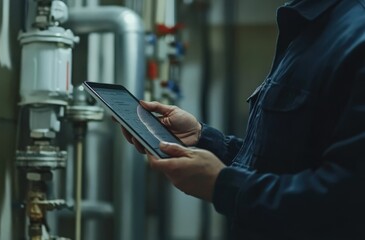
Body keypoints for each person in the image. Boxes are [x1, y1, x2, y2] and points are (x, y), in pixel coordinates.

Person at [118, 0, 365, 239]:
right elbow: (281, 163)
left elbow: (346, 202)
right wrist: (204, 139)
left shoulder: (354, 36)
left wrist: (222, 184)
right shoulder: (306, 26)